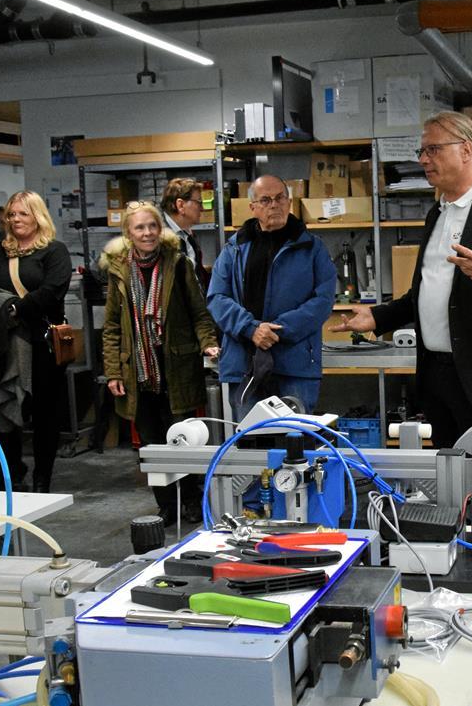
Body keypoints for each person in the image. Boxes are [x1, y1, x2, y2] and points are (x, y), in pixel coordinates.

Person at [331, 111, 472, 448]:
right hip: (439, 375)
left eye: (433, 149)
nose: (424, 159)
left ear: (466, 150)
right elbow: (426, 293)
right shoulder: (437, 213)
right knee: (452, 480)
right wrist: (377, 317)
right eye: (421, 152)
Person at [102, 202, 219, 525]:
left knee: (183, 439)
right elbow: (112, 325)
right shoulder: (118, 270)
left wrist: (208, 342)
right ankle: (166, 505)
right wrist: (113, 370)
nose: (148, 233)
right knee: (152, 444)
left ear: (160, 229)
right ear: (129, 232)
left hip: (176, 368)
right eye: (140, 228)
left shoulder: (177, 264)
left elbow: (199, 311)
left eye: (152, 226)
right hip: (137, 370)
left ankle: (192, 500)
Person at [207, 175, 336, 420]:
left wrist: (277, 330)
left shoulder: (312, 248)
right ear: (253, 208)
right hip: (245, 365)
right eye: (265, 200)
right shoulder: (233, 249)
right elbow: (217, 298)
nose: (274, 205)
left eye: (280, 198)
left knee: (296, 443)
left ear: (289, 203)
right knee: (250, 442)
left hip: (294, 365)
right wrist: (250, 328)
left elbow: (323, 300)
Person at [0, 190, 71, 494]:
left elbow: (53, 290)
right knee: (5, 403)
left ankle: (43, 476)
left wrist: (16, 310)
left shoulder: (54, 251)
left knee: (44, 413)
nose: (15, 220)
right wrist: (0, 312)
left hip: (41, 343)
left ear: (37, 216)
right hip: (4, 341)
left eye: (22, 214)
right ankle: (13, 472)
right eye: (11, 214)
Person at [160, 178, 211, 292]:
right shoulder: (159, 239)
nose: (202, 208)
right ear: (181, 205)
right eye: (199, 202)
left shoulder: (187, 235)